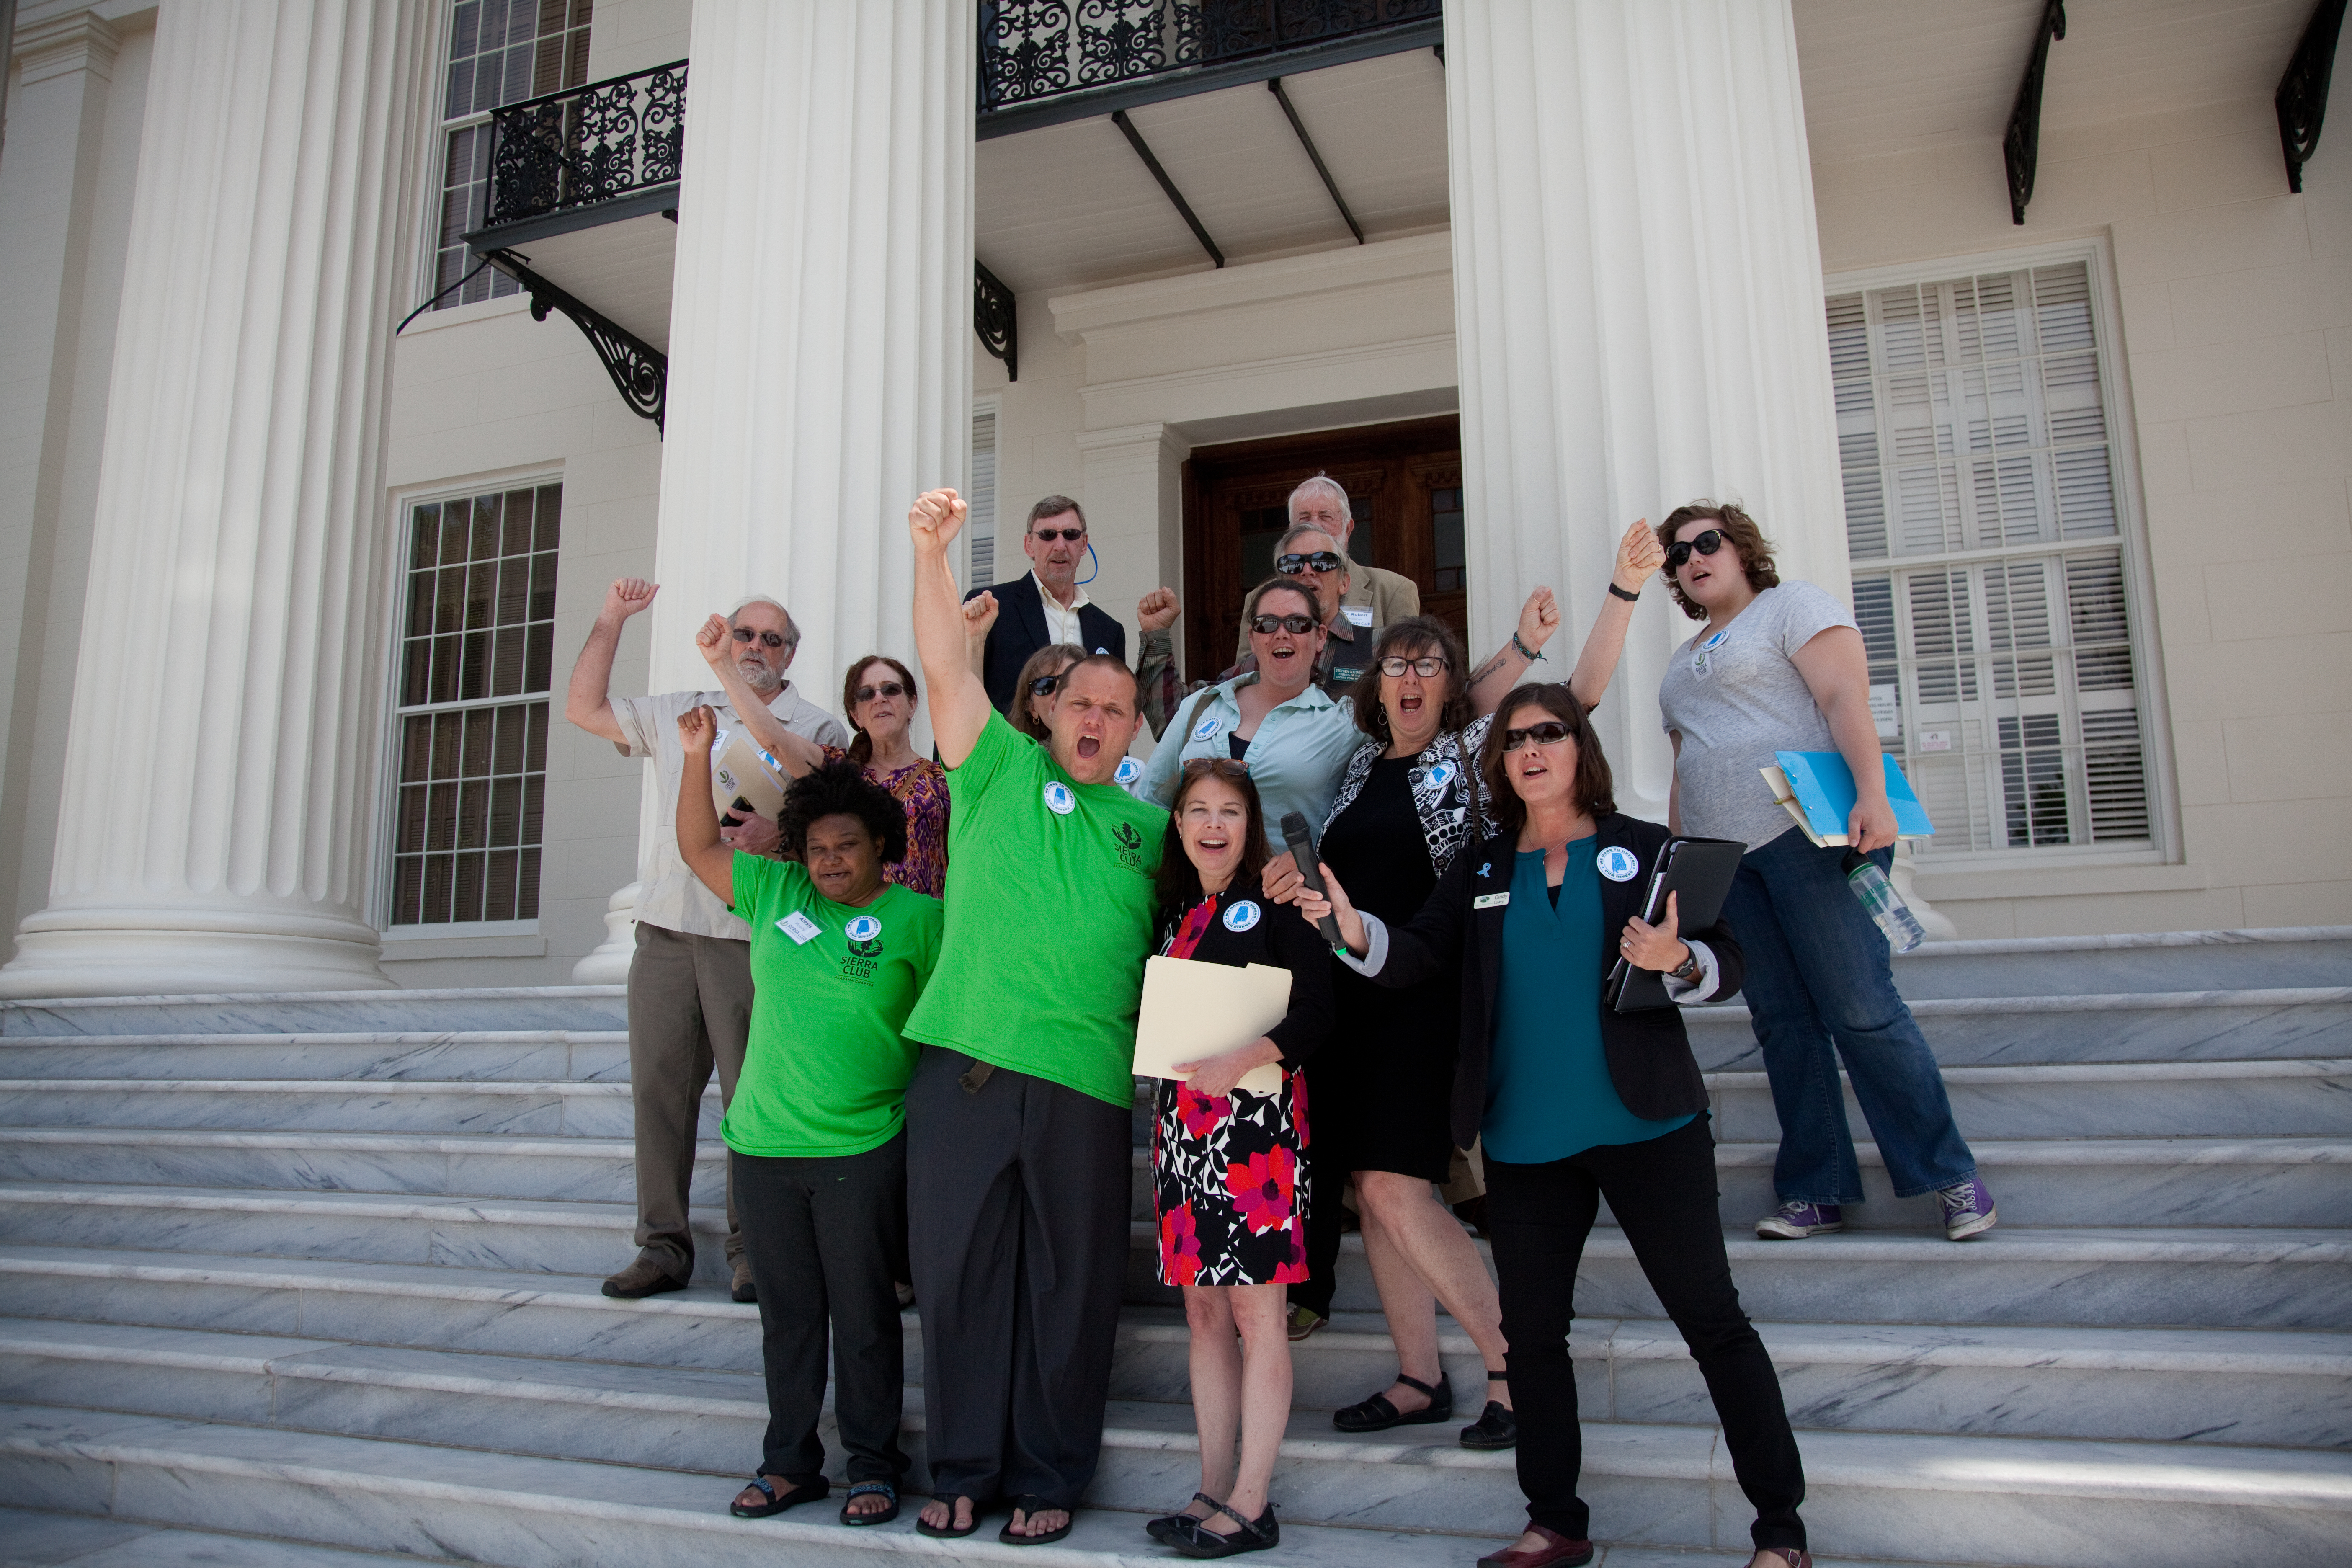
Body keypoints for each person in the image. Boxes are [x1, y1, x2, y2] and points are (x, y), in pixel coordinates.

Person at [1292, 685, 1812, 1568]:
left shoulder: (1644, 850)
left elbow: (1731, 963)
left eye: (1551, 734)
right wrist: (1352, 933)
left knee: (1712, 1321)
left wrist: (1679, 959)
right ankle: (1555, 1523)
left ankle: (1780, 1531)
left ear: (1581, 750)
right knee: (1532, 1339)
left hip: (1648, 1124)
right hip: (1528, 1141)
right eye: (1517, 739)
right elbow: (1415, 953)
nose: (1531, 749)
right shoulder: (1484, 868)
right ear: (1499, 763)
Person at [1271, 520, 1662, 1442]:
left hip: (1428, 998)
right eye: (1396, 666)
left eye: (1427, 667)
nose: (1408, 678)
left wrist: (1620, 592)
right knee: (1373, 1192)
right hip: (1354, 999)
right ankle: (1418, 1377)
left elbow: (1579, 694)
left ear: (1453, 691)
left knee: (1402, 1186)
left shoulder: (1471, 760)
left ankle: (1511, 1366)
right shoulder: (1363, 762)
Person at [900, 487, 1169, 1545]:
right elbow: (941, 665)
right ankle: (963, 1466)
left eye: (1113, 707)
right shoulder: (995, 771)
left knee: (1071, 1286)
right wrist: (931, 555)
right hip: (966, 1062)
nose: (1093, 718)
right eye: (1076, 702)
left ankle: (1052, 1467)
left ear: (1134, 722)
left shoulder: (1153, 824)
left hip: (1087, 1083)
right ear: (1047, 711)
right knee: (961, 1278)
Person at [1655, 502, 1993, 1243]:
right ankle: (1816, 1186)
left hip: (1808, 836)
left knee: (1861, 1008)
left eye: (1706, 542)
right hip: (1728, 863)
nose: (1692, 558)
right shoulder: (1682, 660)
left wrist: (1873, 793)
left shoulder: (1792, 605)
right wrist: (1681, 865)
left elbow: (1843, 696)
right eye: (1676, 554)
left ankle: (1949, 1177)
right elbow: (1687, 762)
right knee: (1783, 1023)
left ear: (1740, 547)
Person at [671, 725, 940, 1530]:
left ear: (880, 845)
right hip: (763, 1144)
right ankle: (789, 1463)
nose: (828, 860)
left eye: (845, 845)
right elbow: (694, 846)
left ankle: (873, 1463)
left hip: (861, 1146)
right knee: (787, 1317)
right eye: (816, 846)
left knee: (862, 1314)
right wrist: (695, 756)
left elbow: (941, 1023)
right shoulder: (774, 892)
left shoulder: (921, 917)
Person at [562, 579, 848, 1304]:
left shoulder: (816, 726)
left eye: (770, 639)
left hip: (749, 936)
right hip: (664, 931)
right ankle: (662, 1246)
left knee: (751, 1099)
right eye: (745, 634)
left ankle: (754, 1248)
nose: (755, 647)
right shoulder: (680, 710)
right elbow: (583, 708)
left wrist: (779, 839)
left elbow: (828, 827)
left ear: (790, 655)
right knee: (660, 1095)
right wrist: (612, 617)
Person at [1142, 760, 1332, 1558]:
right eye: (1197, 810)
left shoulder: (1280, 902)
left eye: (1228, 811)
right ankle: (1212, 1484)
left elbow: (1321, 1011)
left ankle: (1253, 1501)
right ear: (1179, 824)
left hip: (1256, 1135)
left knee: (1257, 1313)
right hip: (1185, 1132)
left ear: (1249, 825)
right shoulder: (1177, 910)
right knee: (1203, 1312)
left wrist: (1243, 1055)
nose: (1212, 824)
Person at [1147, 575, 1566, 848]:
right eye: (1267, 623)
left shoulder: (1343, 722)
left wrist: (1523, 647)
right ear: (1253, 638)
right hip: (1193, 906)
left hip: (1284, 912)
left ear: (1320, 637)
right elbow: (1151, 805)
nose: (1282, 633)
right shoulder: (1200, 707)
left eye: (1297, 623)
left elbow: (1449, 703)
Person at [692, 623, 949, 899]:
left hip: (921, 930)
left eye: (891, 690)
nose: (879, 699)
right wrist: (722, 664)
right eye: (866, 694)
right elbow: (774, 740)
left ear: (912, 704)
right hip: (845, 931)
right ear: (856, 715)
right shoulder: (837, 771)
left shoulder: (944, 780)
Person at [965, 494, 1182, 731]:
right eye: (1048, 535)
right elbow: (958, 691)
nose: (1060, 546)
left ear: (1084, 544)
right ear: (1029, 545)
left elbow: (1114, 712)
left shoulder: (1109, 629)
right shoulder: (993, 608)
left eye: (1070, 535)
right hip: (1009, 764)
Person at [1229, 473, 1421, 665]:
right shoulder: (1259, 598)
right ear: (1291, 530)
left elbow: (1407, 670)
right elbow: (1246, 675)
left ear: (1348, 529)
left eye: (1325, 516)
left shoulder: (1394, 591)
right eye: (1304, 518)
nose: (1315, 525)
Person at [1222, 526, 1374, 691]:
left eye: (1323, 562)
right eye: (1293, 564)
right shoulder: (1261, 659)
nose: (1307, 571)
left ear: (1344, 583)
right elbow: (1214, 694)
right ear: (1280, 583)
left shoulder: (1377, 646)